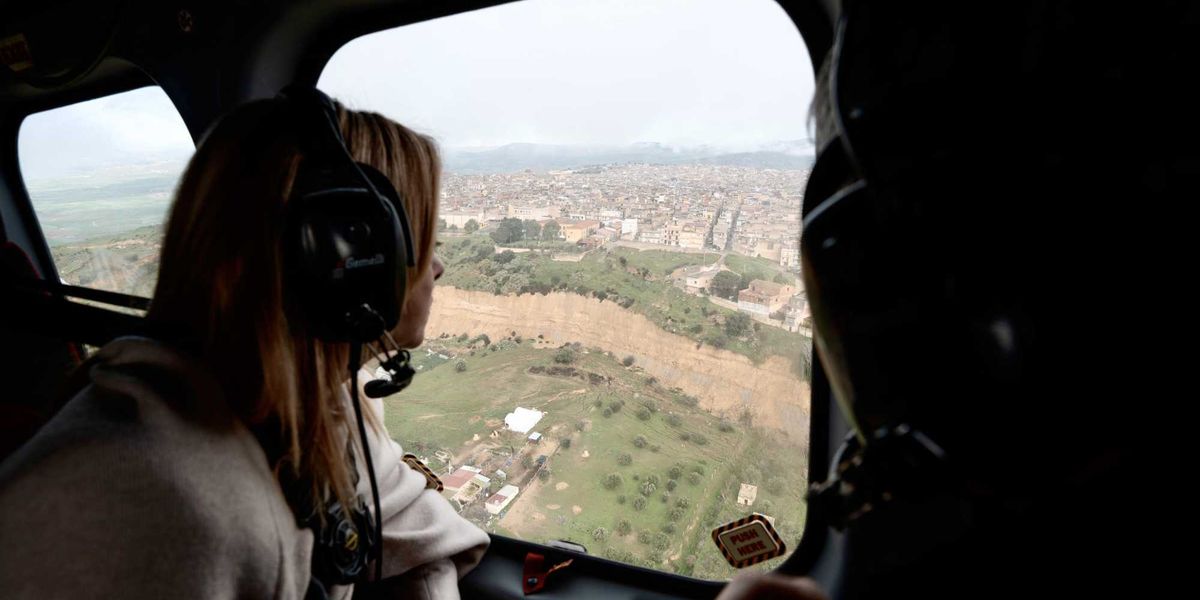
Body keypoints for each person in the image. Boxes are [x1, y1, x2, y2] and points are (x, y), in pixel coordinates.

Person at [0, 93, 488, 599]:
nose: (437, 266)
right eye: (426, 240)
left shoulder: (329, 401)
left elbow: (411, 524)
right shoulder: (151, 495)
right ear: (350, 263)